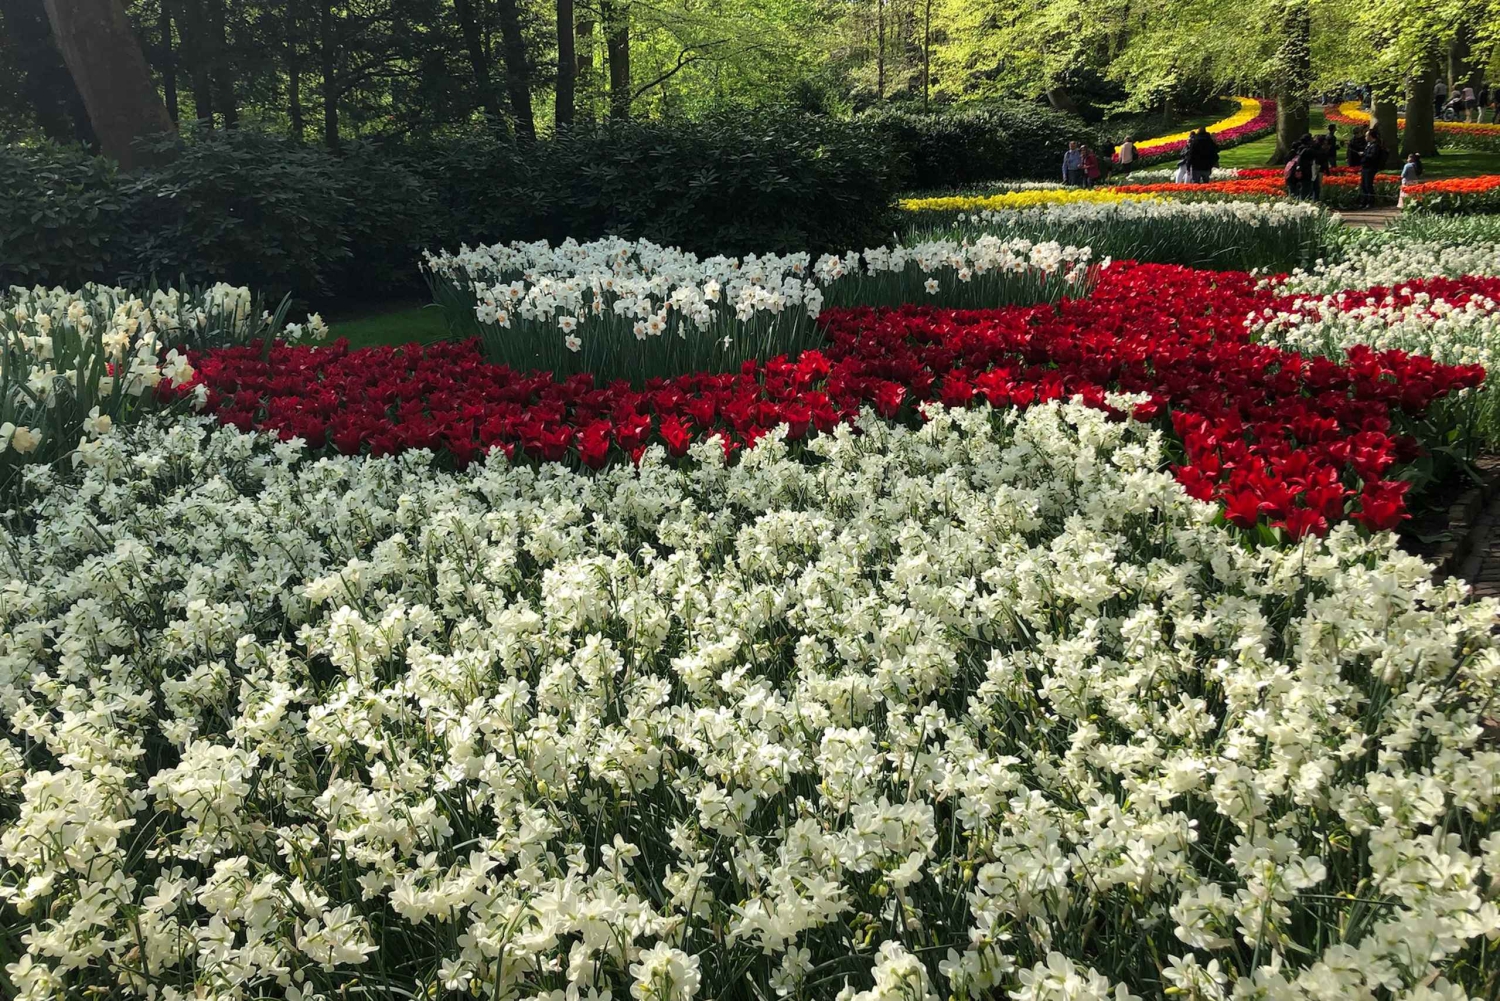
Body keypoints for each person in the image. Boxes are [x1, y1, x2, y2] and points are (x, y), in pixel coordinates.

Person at [1359, 128, 1385, 208]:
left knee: (1368, 185)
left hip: (1370, 168)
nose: (1365, 137)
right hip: (1365, 167)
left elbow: (1373, 156)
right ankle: (1364, 201)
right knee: (1363, 185)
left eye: (1366, 135)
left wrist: (1363, 154)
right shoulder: (1369, 145)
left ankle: (1370, 202)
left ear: (1371, 136)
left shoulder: (1375, 146)